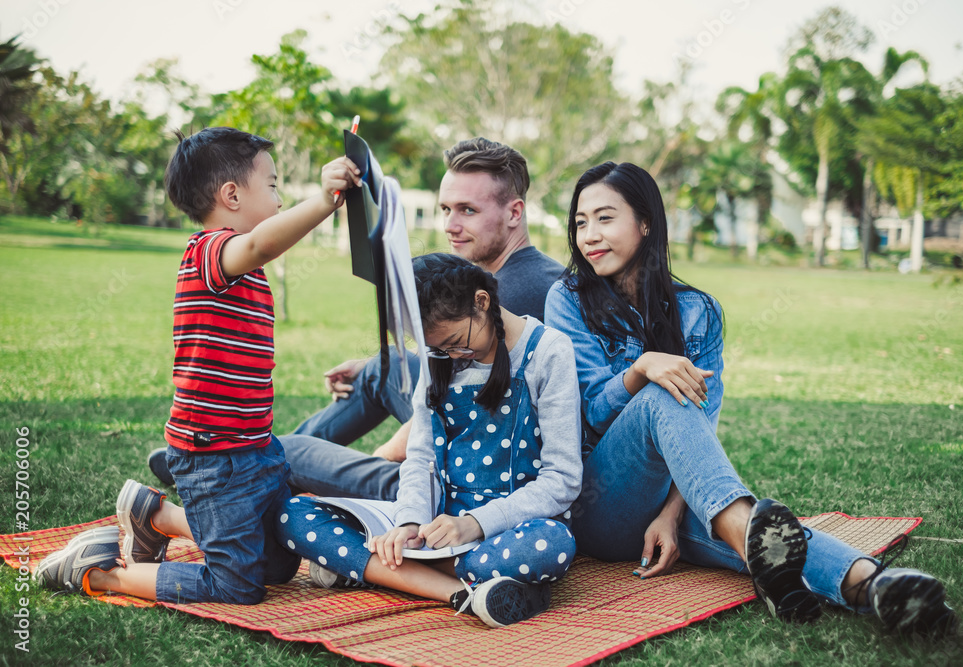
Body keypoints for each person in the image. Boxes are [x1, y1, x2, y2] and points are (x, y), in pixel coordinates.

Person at [543, 161, 957, 636]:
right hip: (601, 503)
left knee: (740, 524)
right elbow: (594, 410)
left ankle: (874, 586)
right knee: (664, 396)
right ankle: (755, 540)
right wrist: (642, 367)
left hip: (675, 500)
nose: (589, 235)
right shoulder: (568, 299)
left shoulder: (698, 311)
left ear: (646, 223)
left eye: (605, 217)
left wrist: (672, 513)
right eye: (580, 222)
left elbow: (702, 423)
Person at [34, 127, 361, 604]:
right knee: (239, 585)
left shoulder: (239, 264)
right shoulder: (210, 253)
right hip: (214, 459)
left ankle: (154, 515)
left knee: (280, 562)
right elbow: (262, 244)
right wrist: (325, 201)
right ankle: (99, 573)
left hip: (257, 449)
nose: (278, 196)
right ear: (231, 195)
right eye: (271, 185)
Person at [146, 138, 564, 499]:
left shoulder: (515, 295)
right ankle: (226, 465)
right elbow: (451, 363)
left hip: (472, 470)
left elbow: (455, 406)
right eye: (445, 209)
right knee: (384, 367)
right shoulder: (497, 277)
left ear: (515, 213)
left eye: (468, 211)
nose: (450, 226)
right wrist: (376, 365)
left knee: (278, 451)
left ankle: (235, 468)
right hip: (460, 438)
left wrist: (372, 461)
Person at [276, 253, 581, 627]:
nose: (453, 357)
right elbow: (421, 459)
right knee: (294, 514)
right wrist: (407, 524)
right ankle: (462, 590)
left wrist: (474, 524)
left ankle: (372, 569)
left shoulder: (549, 352)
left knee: (552, 545)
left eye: (456, 343)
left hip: (505, 530)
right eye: (438, 350)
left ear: (482, 302)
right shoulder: (440, 355)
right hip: (434, 529)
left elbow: (562, 480)